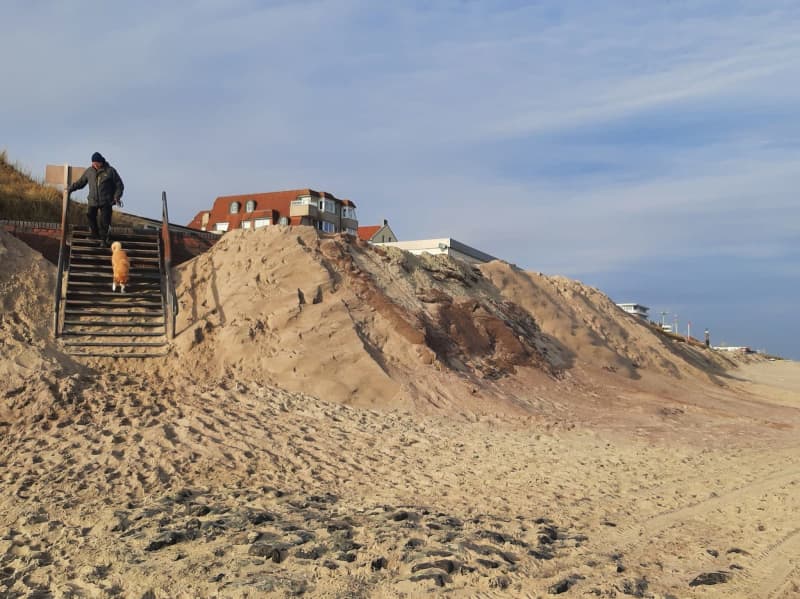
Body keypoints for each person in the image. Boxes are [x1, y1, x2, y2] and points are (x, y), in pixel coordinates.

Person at [67, 152, 124, 247]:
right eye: (93, 162)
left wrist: (117, 196)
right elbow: (80, 183)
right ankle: (95, 235)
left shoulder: (110, 171)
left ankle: (104, 240)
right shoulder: (89, 171)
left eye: (96, 162)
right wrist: (70, 189)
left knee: (104, 221)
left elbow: (119, 185)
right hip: (93, 200)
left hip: (106, 201)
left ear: (101, 162)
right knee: (90, 216)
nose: (94, 164)